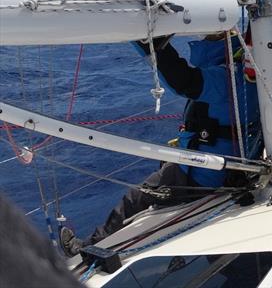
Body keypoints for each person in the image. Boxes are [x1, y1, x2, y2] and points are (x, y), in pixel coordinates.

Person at [59, 30, 260, 257]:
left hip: (204, 174)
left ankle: (86, 248)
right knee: (165, 167)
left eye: (210, 38)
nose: (204, 41)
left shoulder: (225, 79)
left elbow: (183, 81)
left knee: (135, 198)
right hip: (232, 166)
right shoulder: (248, 75)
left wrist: (151, 45)